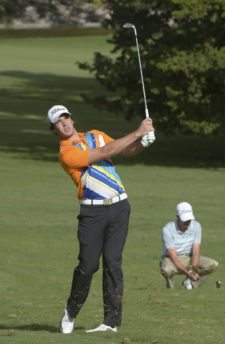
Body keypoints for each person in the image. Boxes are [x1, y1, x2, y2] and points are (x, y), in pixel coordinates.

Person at [47, 105, 155, 334]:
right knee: (88, 265)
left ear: (72, 119)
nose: (64, 123)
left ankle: (111, 322)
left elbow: (125, 151)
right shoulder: (66, 153)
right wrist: (137, 131)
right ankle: (71, 310)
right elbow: (106, 153)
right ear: (54, 129)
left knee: (113, 263)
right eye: (59, 122)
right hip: (92, 213)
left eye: (66, 118)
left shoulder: (96, 135)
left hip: (119, 207)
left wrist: (144, 141)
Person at [160, 201, 219, 289]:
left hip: (189, 258)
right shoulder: (167, 229)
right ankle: (170, 285)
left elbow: (196, 250)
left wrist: (194, 271)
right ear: (177, 217)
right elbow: (173, 256)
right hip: (172, 259)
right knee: (166, 270)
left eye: (189, 219)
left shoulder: (196, 226)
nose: (187, 221)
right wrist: (188, 273)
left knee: (213, 264)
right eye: (185, 219)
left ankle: (191, 284)